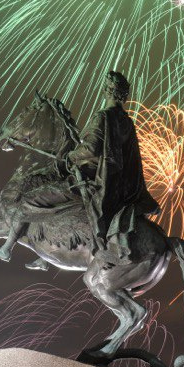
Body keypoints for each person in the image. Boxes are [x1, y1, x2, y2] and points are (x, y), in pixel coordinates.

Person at [67, 71, 160, 260]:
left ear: (106, 91)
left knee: (64, 193)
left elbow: (92, 148)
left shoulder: (103, 116)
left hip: (107, 182)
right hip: (125, 186)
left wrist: (71, 155)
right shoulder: (127, 121)